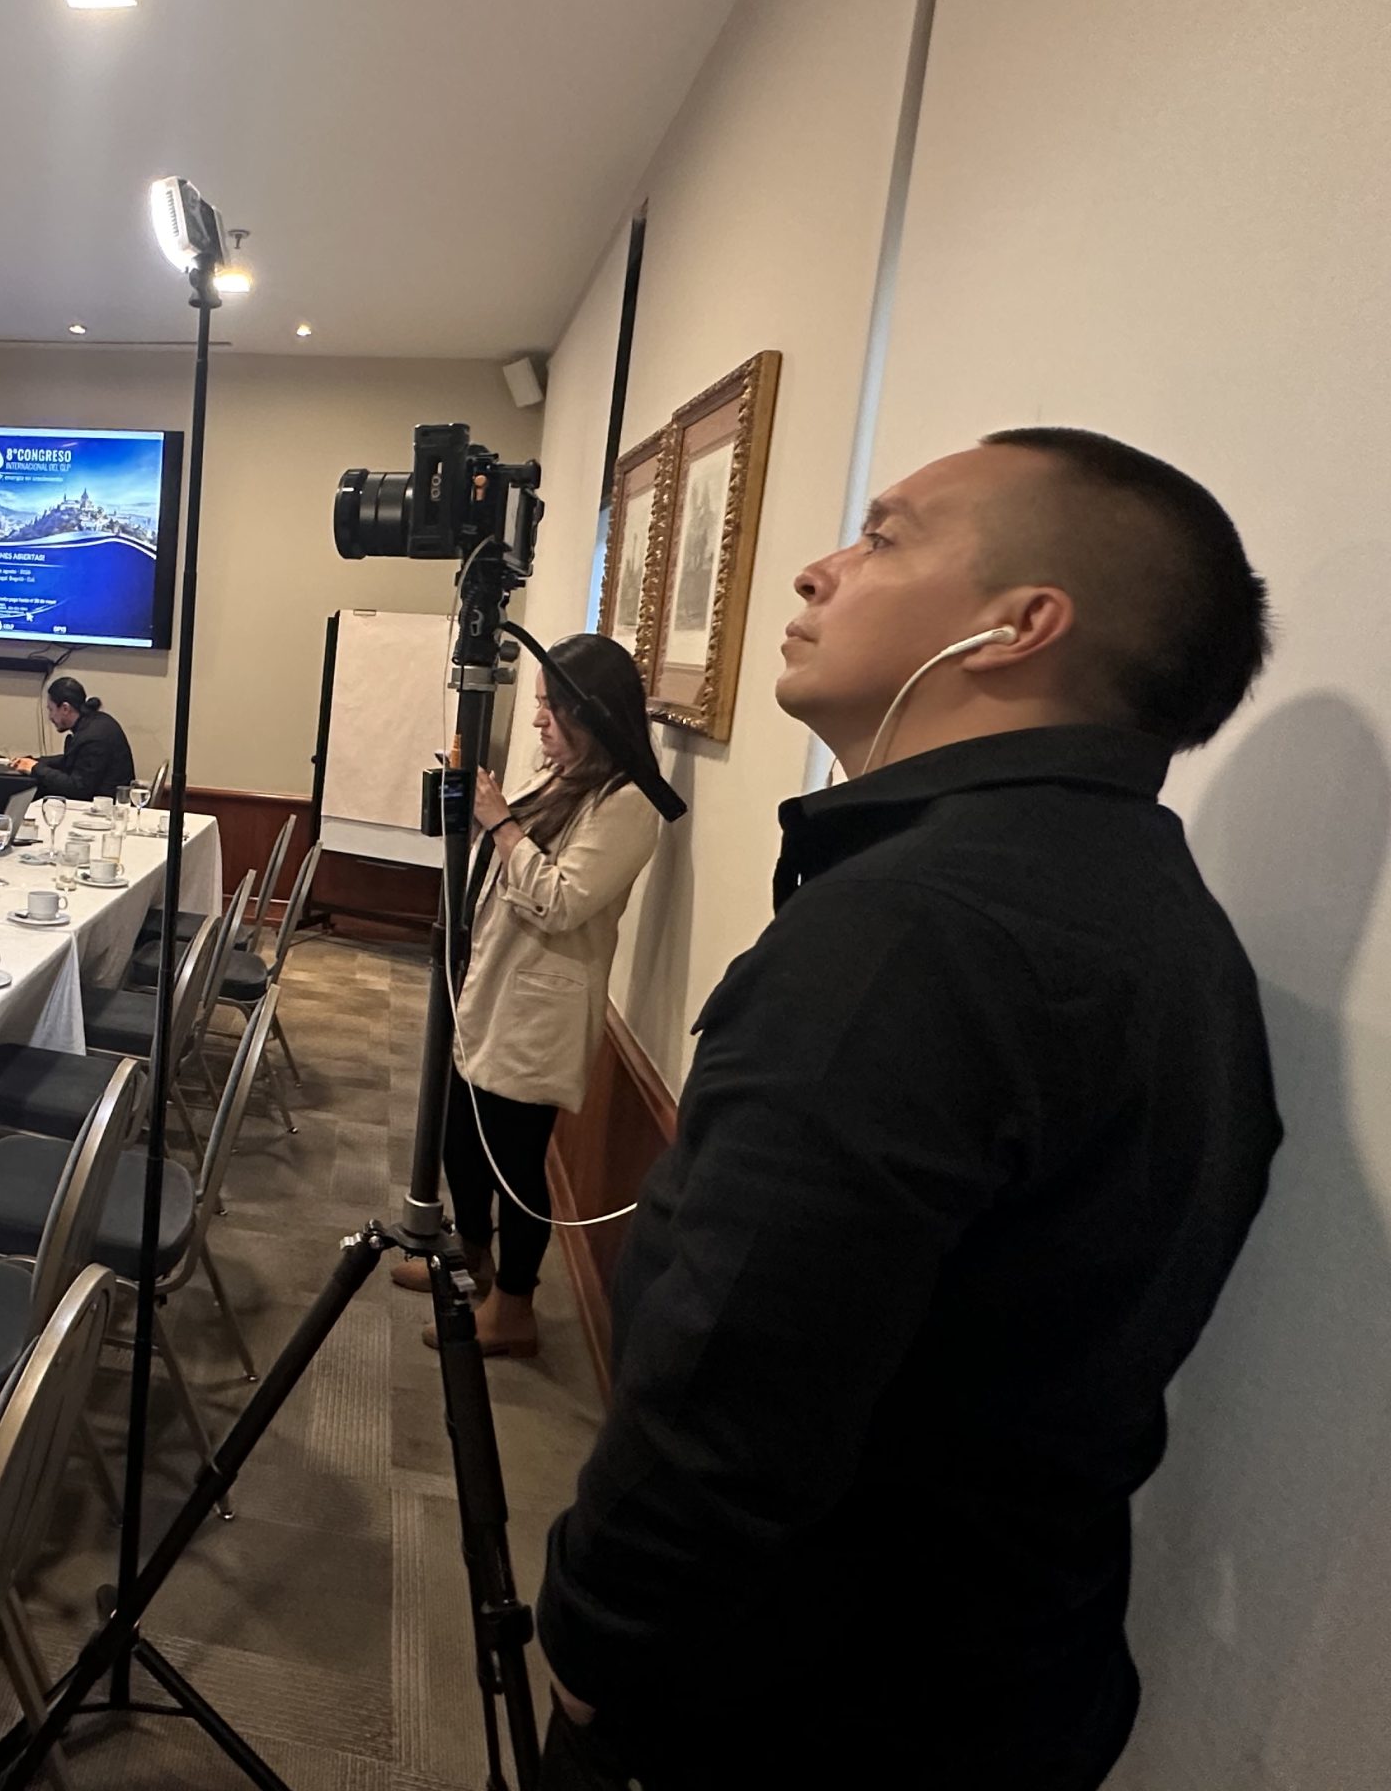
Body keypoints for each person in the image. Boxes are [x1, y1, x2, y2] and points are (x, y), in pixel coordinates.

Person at [533, 430, 1280, 1791]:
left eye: (882, 537)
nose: (816, 571)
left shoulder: (910, 932)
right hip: (1003, 1678)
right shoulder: (1158, 912)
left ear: (1019, 626)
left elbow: (734, 1383)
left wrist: (595, 1647)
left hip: (793, 1711)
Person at [393, 635, 662, 1358]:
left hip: (537, 1011)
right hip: (493, 989)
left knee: (514, 1165)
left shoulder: (628, 801)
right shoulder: (563, 777)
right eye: (540, 704)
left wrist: (501, 822)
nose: (540, 720)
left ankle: (515, 1307)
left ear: (594, 712)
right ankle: (471, 1261)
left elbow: (563, 899)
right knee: (461, 1144)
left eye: (553, 707)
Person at [11, 677, 136, 798]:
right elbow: (72, 760)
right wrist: (35, 762)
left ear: (65, 708)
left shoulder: (93, 738)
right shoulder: (96, 721)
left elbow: (78, 788)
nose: (50, 717)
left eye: (51, 709)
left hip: (106, 807)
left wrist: (35, 768)